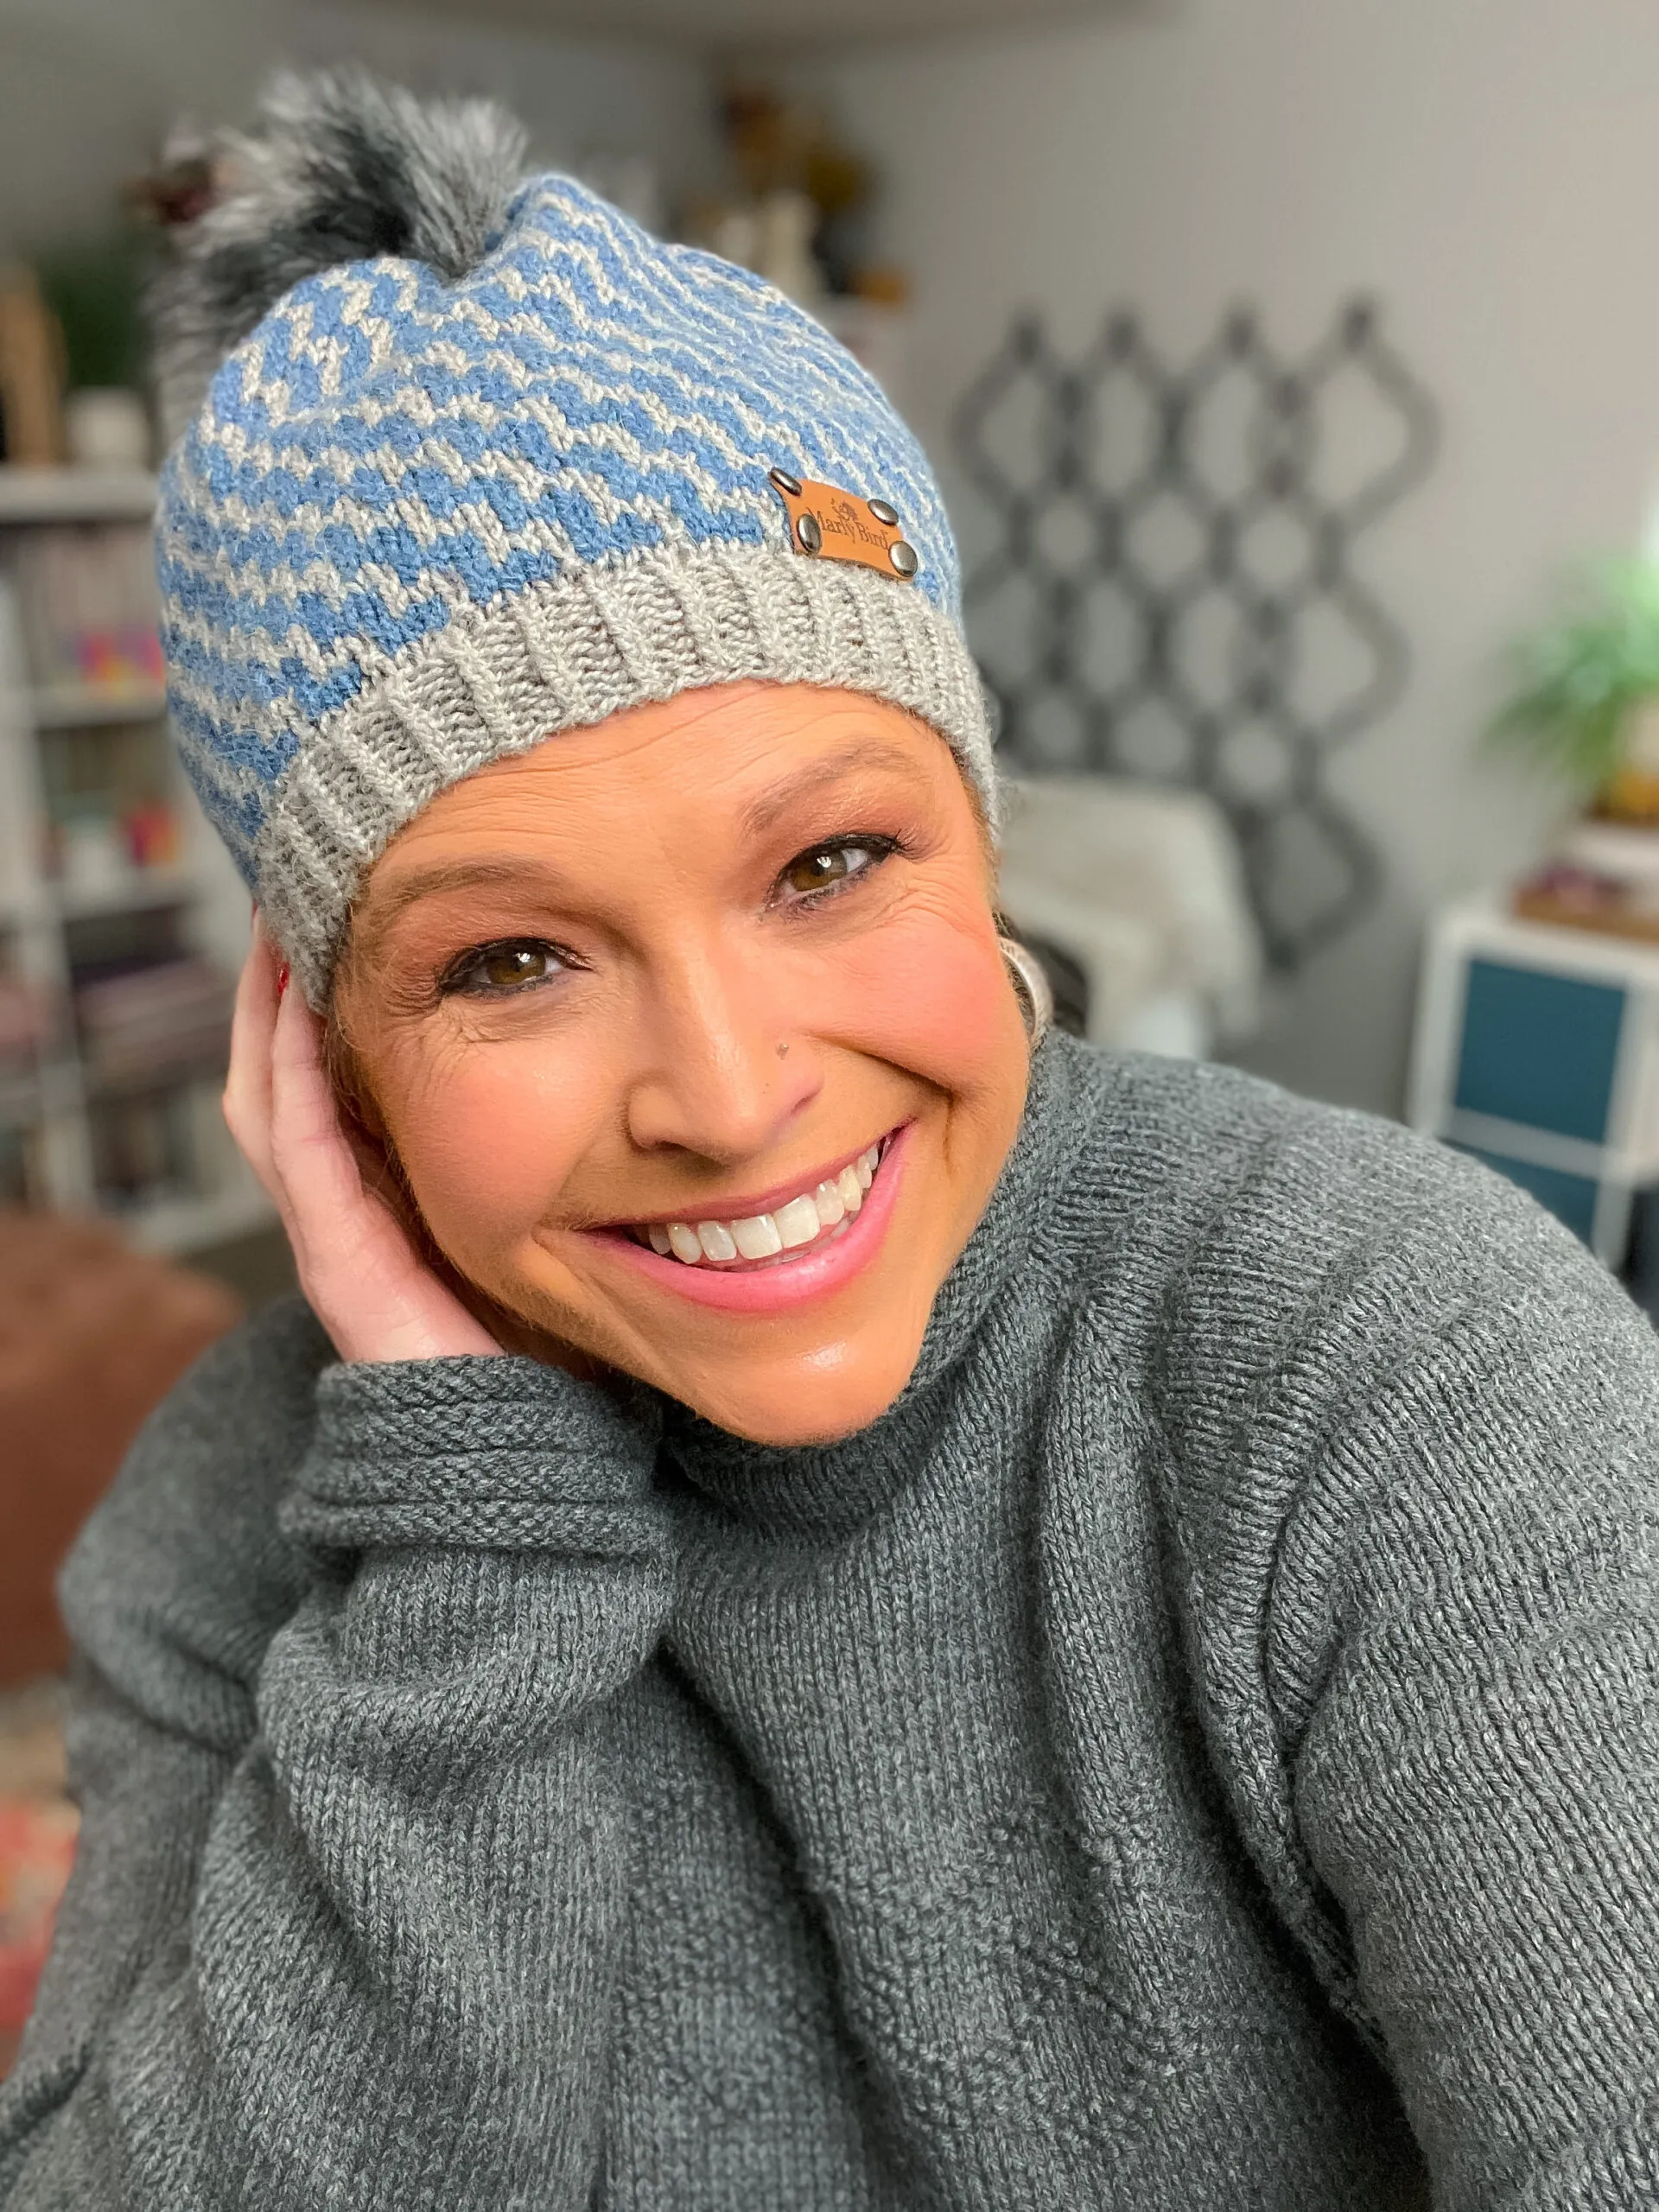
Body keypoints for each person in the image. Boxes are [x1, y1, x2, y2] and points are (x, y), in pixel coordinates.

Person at [2, 70, 1656, 2212]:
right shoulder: (224, 1510)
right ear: (326, 1053)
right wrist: (465, 1541)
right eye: (508, 961)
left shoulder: (1404, 1369)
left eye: (832, 860)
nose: (728, 1089)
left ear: (987, 835)